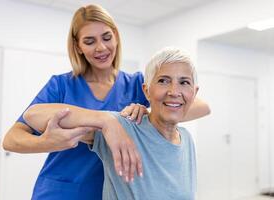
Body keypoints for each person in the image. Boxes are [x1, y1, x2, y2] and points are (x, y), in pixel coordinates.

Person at [2, 4, 209, 200]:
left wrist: (149, 110)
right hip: (62, 190)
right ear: (78, 47)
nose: (101, 47)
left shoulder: (136, 84)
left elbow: (198, 106)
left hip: (111, 189)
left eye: (106, 37)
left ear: (116, 37)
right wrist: (105, 121)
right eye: (90, 41)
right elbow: (12, 138)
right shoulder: (62, 85)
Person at [23, 47, 199, 200]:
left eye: (184, 82)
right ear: (146, 90)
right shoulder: (125, 126)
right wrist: (105, 120)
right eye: (163, 81)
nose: (174, 91)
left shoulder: (187, 139)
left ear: (194, 92)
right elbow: (33, 115)